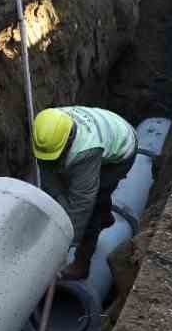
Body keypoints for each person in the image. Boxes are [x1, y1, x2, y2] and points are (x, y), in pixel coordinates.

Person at [31, 106, 138, 281]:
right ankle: (106, 216)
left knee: (92, 207)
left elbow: (81, 205)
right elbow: (47, 171)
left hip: (122, 149)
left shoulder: (86, 151)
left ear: (69, 140)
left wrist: (62, 246)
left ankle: (82, 264)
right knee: (69, 187)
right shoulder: (46, 130)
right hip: (106, 126)